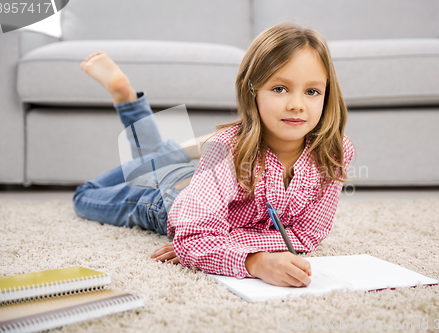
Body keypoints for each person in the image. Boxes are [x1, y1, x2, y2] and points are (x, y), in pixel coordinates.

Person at [73, 21, 355, 288]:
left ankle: (170, 150)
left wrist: (218, 241)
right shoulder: (227, 149)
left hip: (204, 182)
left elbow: (307, 235)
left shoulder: (336, 152)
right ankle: (140, 117)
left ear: (327, 95)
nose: (297, 105)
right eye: (279, 88)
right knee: (84, 195)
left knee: (156, 163)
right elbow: (194, 238)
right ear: (252, 91)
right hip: (168, 199)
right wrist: (254, 260)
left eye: (312, 91)